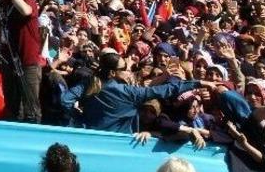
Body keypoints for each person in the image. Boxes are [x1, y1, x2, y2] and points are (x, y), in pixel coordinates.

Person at [62, 52, 206, 134]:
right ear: (112, 72)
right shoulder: (126, 92)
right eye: (124, 68)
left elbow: (65, 101)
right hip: (121, 142)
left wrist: (80, 118)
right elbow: (163, 90)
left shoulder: (88, 83)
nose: (127, 69)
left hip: (89, 135)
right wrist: (197, 83)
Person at [0, 0, 43, 123]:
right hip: (9, 60)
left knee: (31, 110)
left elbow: (25, 10)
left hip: (28, 61)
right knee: (12, 109)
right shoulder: (4, 4)